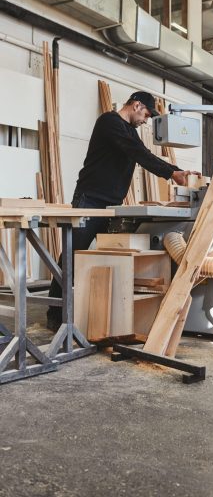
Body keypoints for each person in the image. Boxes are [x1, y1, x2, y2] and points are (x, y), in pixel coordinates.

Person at [47, 91, 199, 330]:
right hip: (91, 200)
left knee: (106, 257)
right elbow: (137, 153)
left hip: (111, 204)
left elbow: (145, 155)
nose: (146, 121)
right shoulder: (109, 122)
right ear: (136, 105)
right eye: (146, 115)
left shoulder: (130, 132)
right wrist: (172, 173)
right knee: (72, 255)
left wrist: (176, 170)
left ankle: (100, 312)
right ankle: (54, 315)